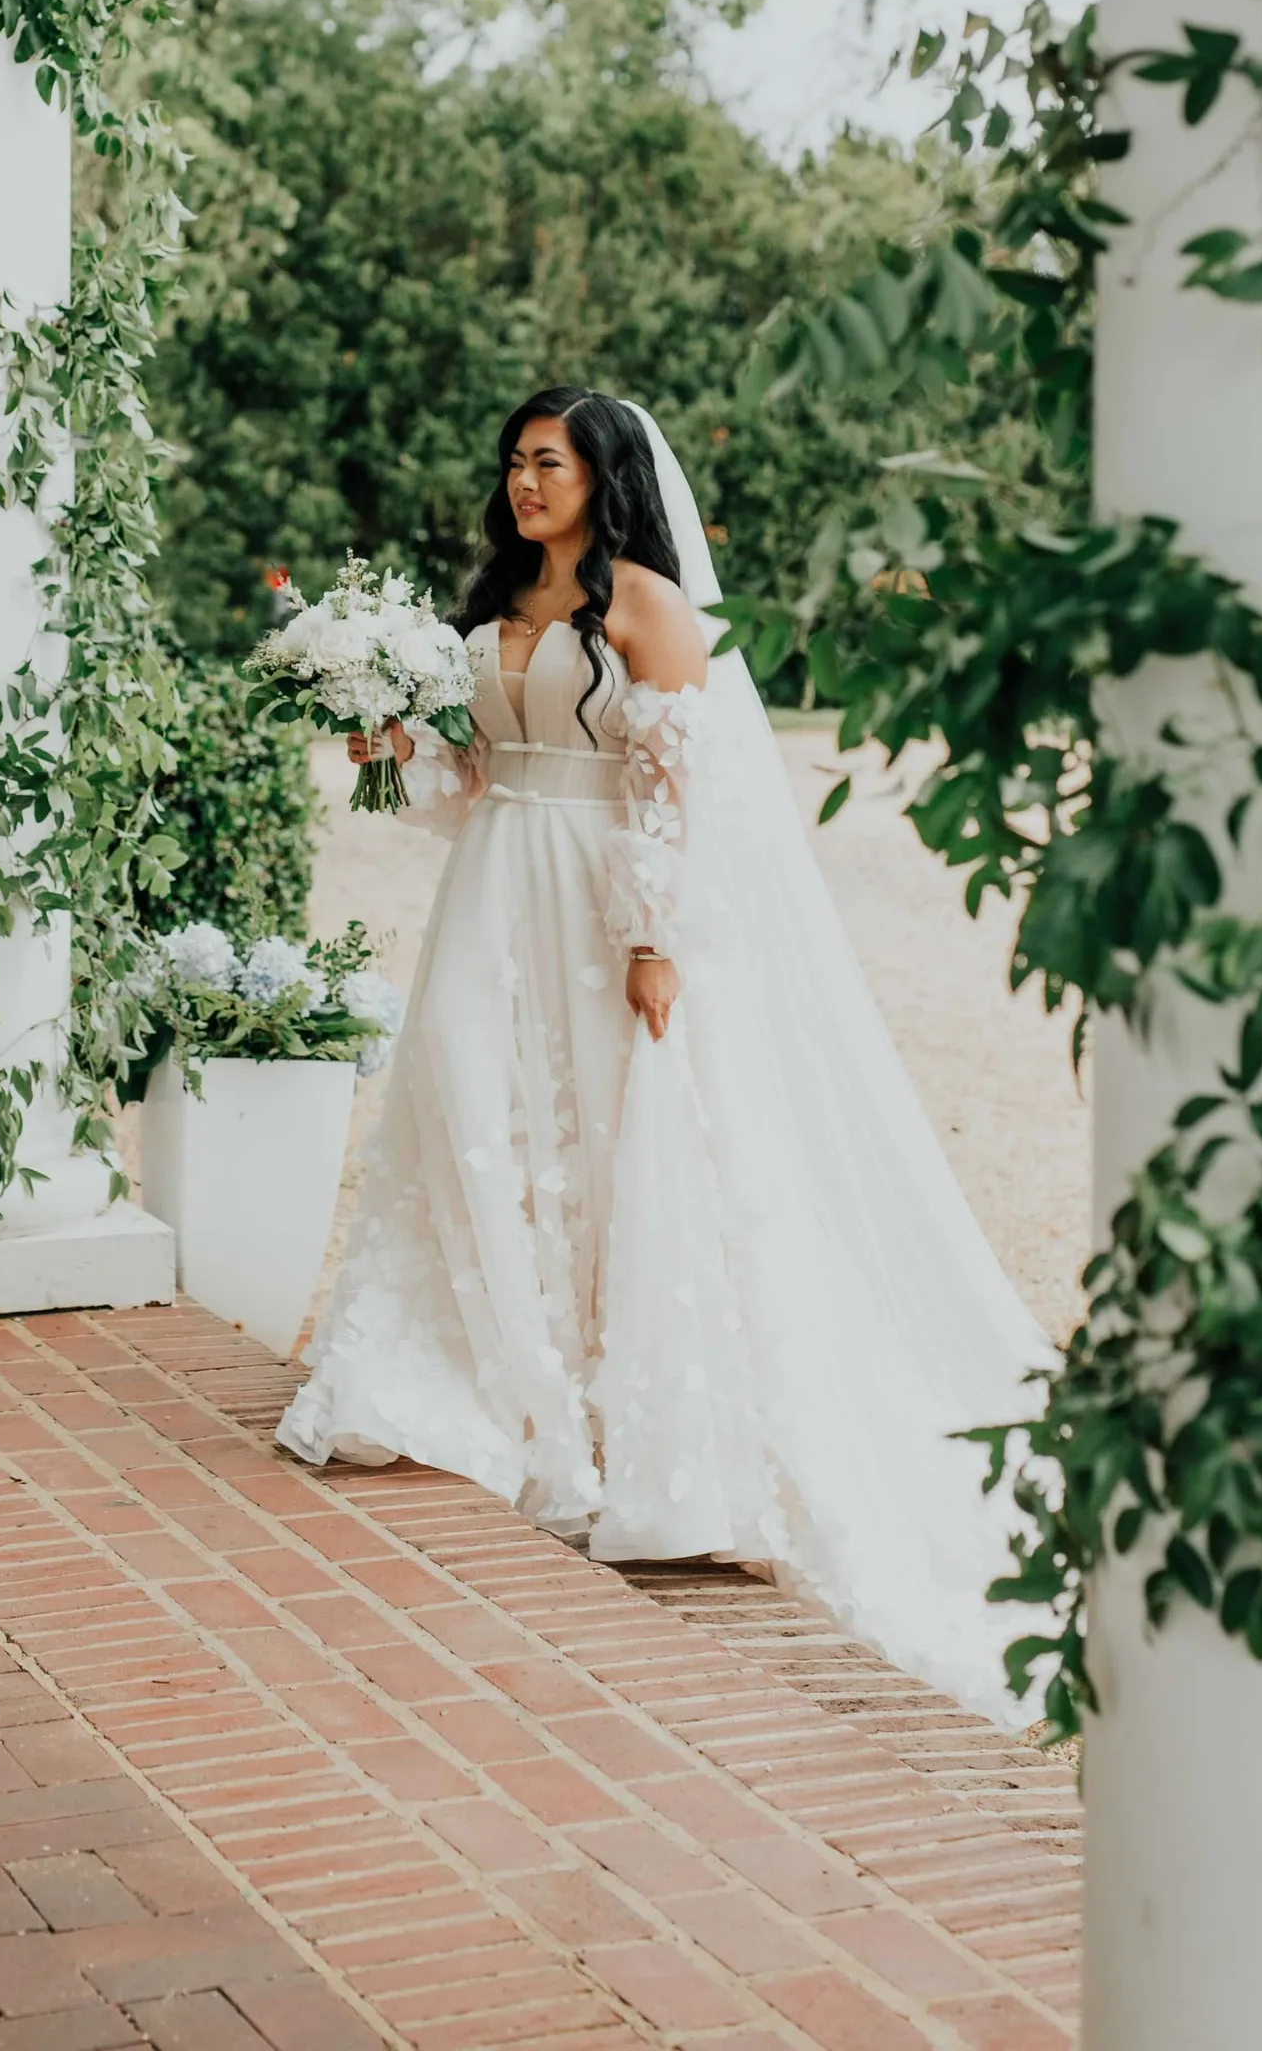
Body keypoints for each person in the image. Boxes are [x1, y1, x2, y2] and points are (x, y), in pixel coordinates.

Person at [276, 387, 1050, 1719]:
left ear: (604, 474)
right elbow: (469, 779)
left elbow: (677, 789)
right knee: (472, 1100)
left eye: (550, 462)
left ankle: (603, 1399)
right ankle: (489, 1369)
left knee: (611, 1129)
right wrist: (395, 746)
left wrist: (654, 936)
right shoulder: (494, 602)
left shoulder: (644, 603)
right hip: (495, 888)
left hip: (598, 896)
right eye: (514, 461)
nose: (525, 482)